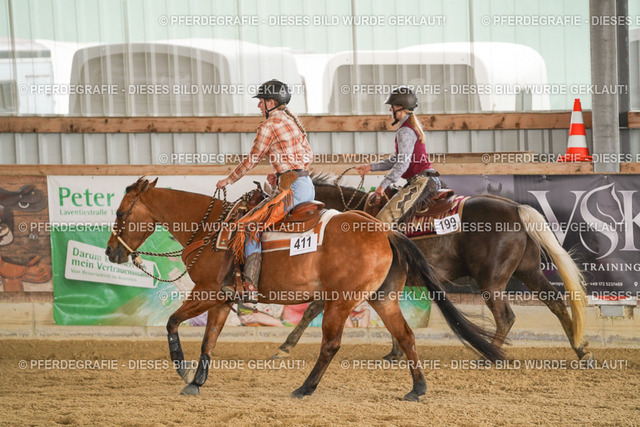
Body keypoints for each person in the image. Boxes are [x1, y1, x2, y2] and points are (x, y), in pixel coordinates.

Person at [216, 79, 314, 299]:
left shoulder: (268, 126)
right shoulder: (292, 121)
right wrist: (281, 173)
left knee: (249, 225)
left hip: (292, 190)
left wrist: (228, 180)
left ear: (271, 102)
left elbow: (252, 159)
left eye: (261, 101)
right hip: (306, 185)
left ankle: (250, 286)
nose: (259, 106)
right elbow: (308, 156)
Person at [355, 86, 440, 224]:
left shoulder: (405, 131)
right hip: (424, 180)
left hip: (421, 182)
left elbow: (402, 163)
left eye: (392, 106)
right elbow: (396, 159)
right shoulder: (409, 127)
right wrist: (370, 167)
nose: (390, 110)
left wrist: (383, 185)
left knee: (382, 220)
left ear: (400, 107)